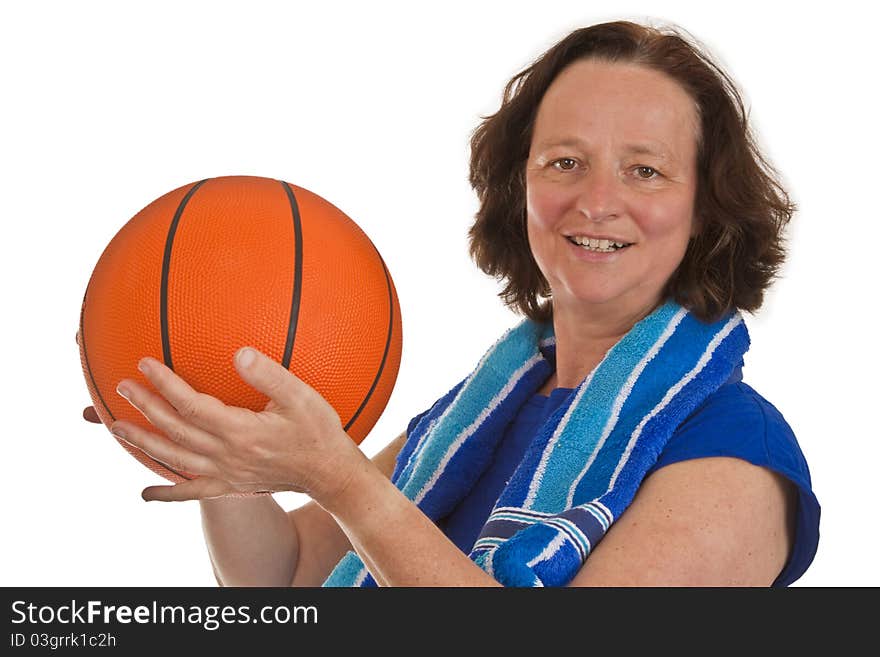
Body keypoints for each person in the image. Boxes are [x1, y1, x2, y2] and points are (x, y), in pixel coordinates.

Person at [82, 20, 819, 586]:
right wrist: (215, 446)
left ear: (708, 209)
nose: (597, 202)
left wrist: (342, 481)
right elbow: (289, 574)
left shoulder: (738, 455)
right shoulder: (473, 416)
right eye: (565, 161)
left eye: (646, 170)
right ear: (519, 186)